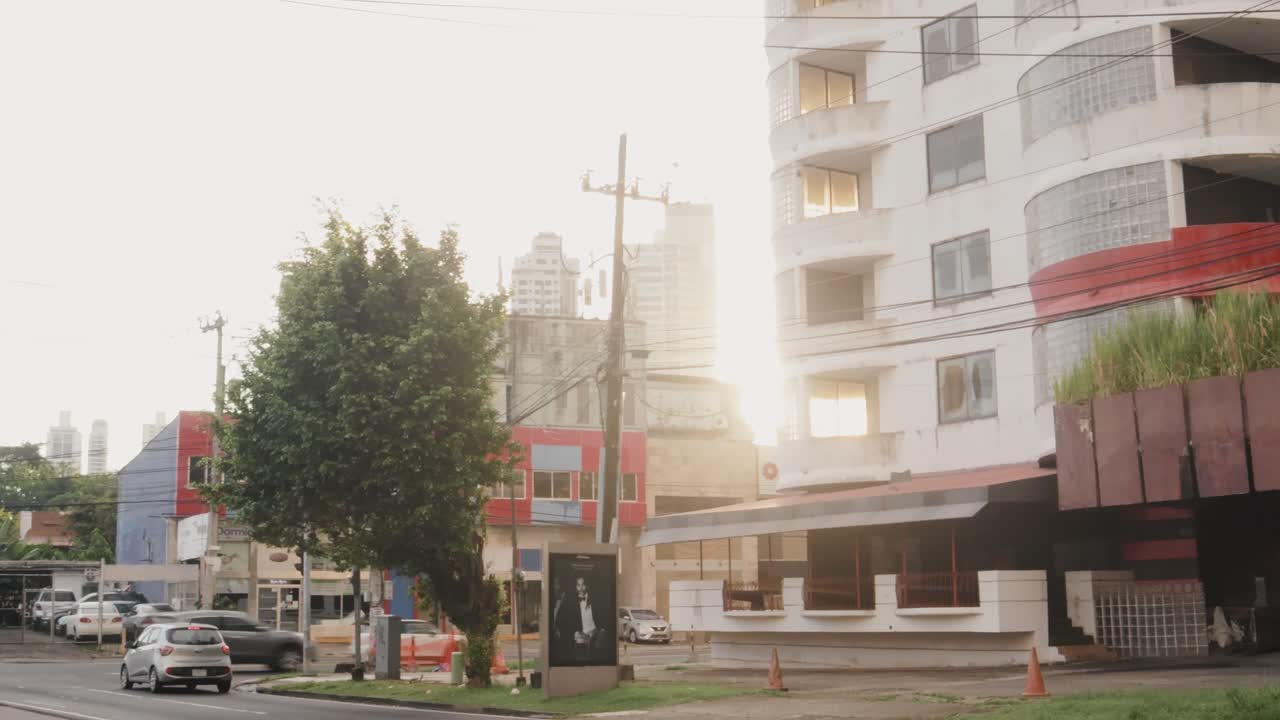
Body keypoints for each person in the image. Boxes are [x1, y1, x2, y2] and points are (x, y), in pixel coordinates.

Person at [553, 575, 608, 663]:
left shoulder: (596, 599)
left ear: (587, 586)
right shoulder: (570, 602)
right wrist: (574, 632)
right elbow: (565, 622)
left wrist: (600, 631)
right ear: (576, 587)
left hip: (594, 638)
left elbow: (603, 618)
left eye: (583, 585)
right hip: (579, 640)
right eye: (578, 585)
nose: (581, 588)